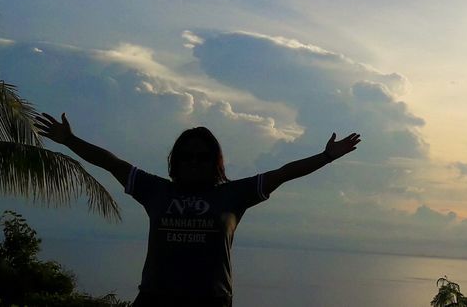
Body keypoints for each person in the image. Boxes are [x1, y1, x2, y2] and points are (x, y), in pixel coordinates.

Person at [34, 113, 361, 307]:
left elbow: (283, 173)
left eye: (202, 157)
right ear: (175, 161)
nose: (193, 162)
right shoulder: (156, 190)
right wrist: (70, 140)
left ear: (214, 161)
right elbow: (110, 162)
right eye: (186, 156)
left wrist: (326, 156)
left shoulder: (234, 194)